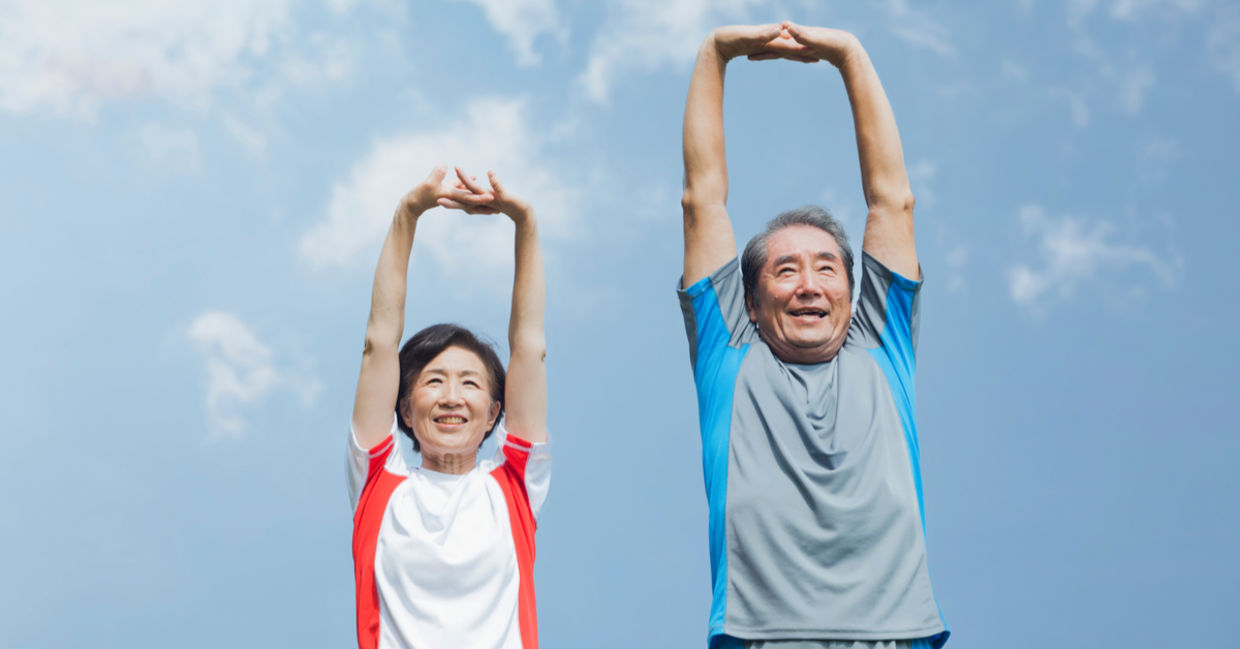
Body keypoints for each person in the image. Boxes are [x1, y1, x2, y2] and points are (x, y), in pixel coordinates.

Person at [677, 22, 949, 649]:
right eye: (785, 269)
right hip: (762, 635)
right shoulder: (731, 355)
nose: (807, 285)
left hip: (894, 634)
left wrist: (850, 54)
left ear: (853, 297)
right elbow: (702, 201)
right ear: (748, 299)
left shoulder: (883, 346)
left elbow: (892, 201)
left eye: (827, 268)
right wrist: (716, 53)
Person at [347, 165, 550, 649]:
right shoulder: (378, 482)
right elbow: (379, 343)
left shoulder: (515, 483)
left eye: (470, 384)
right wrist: (407, 215)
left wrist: (525, 223)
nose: (452, 396)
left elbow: (529, 346)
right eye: (434, 381)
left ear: (495, 412)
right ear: (403, 408)